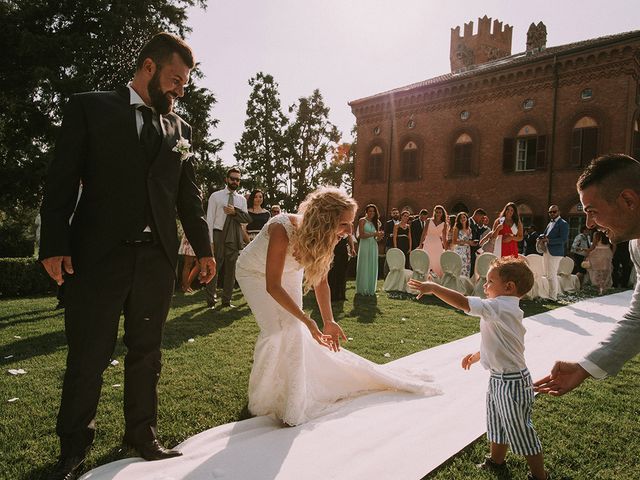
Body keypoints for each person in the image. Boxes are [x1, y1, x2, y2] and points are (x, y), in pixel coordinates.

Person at [38, 33, 216, 480]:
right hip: (96, 257)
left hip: (155, 261)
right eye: (176, 79)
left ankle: (142, 433)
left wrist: (204, 249)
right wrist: (55, 244)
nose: (180, 90)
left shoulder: (181, 130)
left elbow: (187, 199)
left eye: (186, 84)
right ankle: (74, 447)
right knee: (88, 356)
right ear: (149, 68)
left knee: (147, 352)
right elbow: (61, 180)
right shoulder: (89, 107)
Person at [235, 187, 440, 426]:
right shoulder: (281, 228)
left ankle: (293, 400)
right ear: (325, 219)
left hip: (289, 272)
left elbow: (321, 281)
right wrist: (308, 320)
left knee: (293, 328)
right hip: (254, 273)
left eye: (350, 224)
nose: (348, 231)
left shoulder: (326, 235)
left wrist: (328, 320)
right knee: (276, 331)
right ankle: (263, 400)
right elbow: (272, 286)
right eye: (344, 224)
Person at [408, 257, 548, 480]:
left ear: (509, 287)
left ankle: (540, 476)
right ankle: (497, 461)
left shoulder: (501, 307)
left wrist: (434, 288)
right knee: (497, 422)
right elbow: (499, 343)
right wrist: (477, 356)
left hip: (512, 381)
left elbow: (464, 303)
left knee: (521, 430)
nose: (485, 285)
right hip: (498, 378)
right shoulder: (501, 309)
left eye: (490, 281)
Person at [533, 154, 640, 399]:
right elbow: (638, 317)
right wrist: (585, 366)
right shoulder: (636, 245)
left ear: (628, 200)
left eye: (592, 211)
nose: (589, 224)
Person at [205, 167, 251, 309]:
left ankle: (226, 300)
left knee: (231, 270)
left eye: (237, 179)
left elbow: (246, 219)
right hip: (218, 234)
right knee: (214, 268)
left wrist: (234, 212)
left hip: (234, 236)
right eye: (232, 178)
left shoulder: (241, 199)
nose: (235, 181)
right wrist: (210, 241)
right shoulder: (216, 196)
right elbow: (210, 219)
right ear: (226, 179)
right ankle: (211, 301)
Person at [538, 205, 569, 301]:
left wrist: (549, 240)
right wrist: (541, 237)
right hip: (546, 250)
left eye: (554, 212)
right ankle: (549, 295)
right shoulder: (550, 223)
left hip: (555, 253)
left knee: (552, 275)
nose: (552, 213)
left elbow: (563, 239)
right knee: (547, 274)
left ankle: (553, 297)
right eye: (550, 212)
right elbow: (546, 234)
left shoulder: (563, 223)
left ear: (559, 212)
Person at [356, 204, 383, 295]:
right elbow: (361, 235)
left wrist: (379, 236)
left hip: (373, 245)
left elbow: (377, 239)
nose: (372, 213)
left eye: (373, 211)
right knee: (364, 264)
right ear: (366, 212)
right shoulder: (362, 221)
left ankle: (371, 288)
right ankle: (362, 288)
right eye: (370, 211)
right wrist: (374, 234)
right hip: (364, 245)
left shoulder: (377, 222)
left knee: (372, 264)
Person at [419, 205, 448, 277]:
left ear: (442, 213)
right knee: (427, 260)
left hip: (437, 245)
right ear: (434, 212)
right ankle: (425, 277)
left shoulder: (444, 224)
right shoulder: (429, 221)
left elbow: (444, 238)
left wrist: (447, 249)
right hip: (428, 243)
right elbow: (423, 234)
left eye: (440, 212)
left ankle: (436, 279)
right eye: (437, 212)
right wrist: (420, 244)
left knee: (437, 261)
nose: (438, 214)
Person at [327, 233, 355, 302]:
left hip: (343, 248)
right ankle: (332, 295)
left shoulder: (347, 225)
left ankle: (341, 295)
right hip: (333, 248)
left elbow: (349, 236)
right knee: (333, 272)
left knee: (342, 272)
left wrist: (352, 248)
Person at [585, 230, 614, 295]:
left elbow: (594, 245)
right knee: (605, 271)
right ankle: (603, 287)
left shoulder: (596, 234)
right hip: (607, 252)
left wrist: (588, 252)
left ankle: (599, 288)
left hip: (598, 253)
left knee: (597, 271)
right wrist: (612, 254)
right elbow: (614, 245)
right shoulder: (610, 232)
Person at [451, 212, 472, 277]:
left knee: (467, 267)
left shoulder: (469, 229)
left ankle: (464, 284)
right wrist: (467, 242)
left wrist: (472, 243)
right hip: (459, 250)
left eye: (464, 217)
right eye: (460, 218)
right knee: (460, 267)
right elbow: (454, 241)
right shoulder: (457, 228)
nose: (462, 219)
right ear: (458, 220)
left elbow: (469, 240)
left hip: (467, 251)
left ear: (466, 218)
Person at [469, 208, 488, 275]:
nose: (481, 219)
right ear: (477, 215)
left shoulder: (474, 224)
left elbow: (478, 232)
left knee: (473, 268)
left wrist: (484, 225)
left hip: (474, 249)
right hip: (469, 249)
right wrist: (479, 249)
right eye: (482, 217)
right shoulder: (469, 222)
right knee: (470, 268)